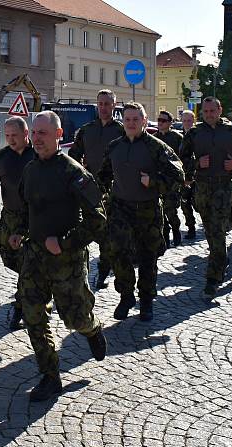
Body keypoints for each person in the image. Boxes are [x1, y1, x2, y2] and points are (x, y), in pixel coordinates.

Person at [13, 110, 108, 402]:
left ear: (58, 135)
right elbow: (23, 211)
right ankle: (50, 376)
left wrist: (66, 243)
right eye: (34, 132)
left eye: (43, 133)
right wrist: (18, 232)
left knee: (74, 319)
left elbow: (97, 219)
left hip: (66, 260)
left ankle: (91, 329)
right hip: (34, 257)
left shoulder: (74, 173)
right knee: (32, 315)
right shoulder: (29, 170)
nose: (37, 138)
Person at [99, 102, 184, 321]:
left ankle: (146, 301)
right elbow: (103, 176)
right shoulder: (115, 146)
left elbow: (178, 177)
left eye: (136, 119)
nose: (131, 123)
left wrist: (153, 181)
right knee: (118, 253)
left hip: (148, 210)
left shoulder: (156, 147)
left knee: (148, 258)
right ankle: (126, 295)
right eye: (127, 119)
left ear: (145, 121)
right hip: (120, 208)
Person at [180, 97, 232, 299]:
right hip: (203, 189)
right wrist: (197, 163)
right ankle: (218, 262)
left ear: (220, 110)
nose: (209, 115)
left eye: (212, 111)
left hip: (224, 188)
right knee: (211, 231)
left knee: (217, 232)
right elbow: (180, 161)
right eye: (205, 111)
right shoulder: (195, 133)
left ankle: (213, 278)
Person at [0, 116, 37, 330]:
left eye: (15, 135)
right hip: (9, 216)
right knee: (8, 258)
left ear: (26, 134)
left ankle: (23, 307)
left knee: (28, 263)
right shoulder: (2, 157)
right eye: (7, 136)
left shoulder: (37, 155)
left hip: (33, 217)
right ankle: (30, 290)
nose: (11, 140)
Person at [69, 89, 124, 289]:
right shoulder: (87, 130)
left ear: (114, 106)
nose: (103, 108)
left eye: (107, 104)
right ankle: (79, 272)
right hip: (88, 189)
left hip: (113, 190)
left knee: (106, 234)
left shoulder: (121, 130)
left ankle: (102, 270)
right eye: (100, 104)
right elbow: (73, 156)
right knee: (83, 229)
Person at [154, 110, 185, 248]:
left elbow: (184, 158)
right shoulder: (153, 138)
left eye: (163, 121)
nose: (160, 123)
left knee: (171, 210)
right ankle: (165, 236)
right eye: (159, 120)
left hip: (172, 181)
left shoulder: (177, 138)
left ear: (170, 123)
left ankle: (176, 231)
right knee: (160, 210)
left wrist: (184, 178)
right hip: (158, 180)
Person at [179, 110, 200, 240]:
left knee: (199, 204)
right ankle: (191, 228)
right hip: (183, 176)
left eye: (189, 120)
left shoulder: (199, 136)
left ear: (194, 121)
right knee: (185, 204)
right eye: (185, 120)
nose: (187, 123)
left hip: (198, 176)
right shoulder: (178, 137)